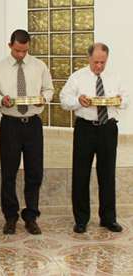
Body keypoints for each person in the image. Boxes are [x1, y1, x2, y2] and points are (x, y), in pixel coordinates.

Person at [0, 29, 53, 235]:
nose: (21, 55)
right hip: (10, 124)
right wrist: (1, 100)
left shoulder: (39, 66)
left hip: (33, 124)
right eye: (17, 51)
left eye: (24, 51)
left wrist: (44, 98)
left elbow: (49, 89)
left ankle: (31, 216)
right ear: (10, 46)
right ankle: (10, 217)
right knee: (9, 173)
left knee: (35, 173)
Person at [60, 42, 128, 233]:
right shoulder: (77, 77)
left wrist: (119, 101)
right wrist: (77, 101)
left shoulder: (115, 77)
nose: (99, 66)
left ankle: (108, 219)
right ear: (89, 58)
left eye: (103, 63)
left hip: (108, 129)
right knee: (81, 174)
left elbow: (126, 99)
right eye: (96, 62)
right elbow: (64, 100)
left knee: (107, 174)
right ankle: (81, 219)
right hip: (85, 129)